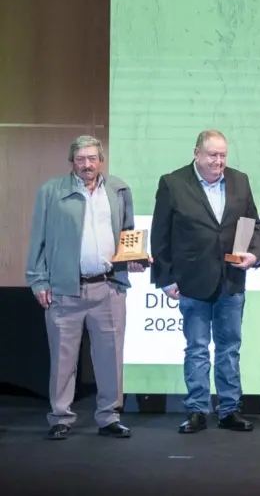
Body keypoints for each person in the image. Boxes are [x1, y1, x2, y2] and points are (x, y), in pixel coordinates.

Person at [25, 135, 146, 440]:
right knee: (63, 360)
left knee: (110, 358)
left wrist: (135, 259)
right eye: (81, 159)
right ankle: (61, 418)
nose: (87, 165)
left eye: (92, 158)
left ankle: (108, 416)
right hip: (66, 290)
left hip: (107, 287)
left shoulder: (118, 189)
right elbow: (37, 239)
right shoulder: (51, 191)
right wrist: (38, 280)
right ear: (72, 162)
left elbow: (127, 234)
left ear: (101, 161)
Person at [150, 129, 260, 434]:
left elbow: (254, 226)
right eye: (212, 155)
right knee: (197, 348)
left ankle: (229, 410)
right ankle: (197, 410)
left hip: (231, 280)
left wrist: (254, 255)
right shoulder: (173, 183)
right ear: (196, 153)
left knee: (230, 348)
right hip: (191, 281)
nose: (218, 161)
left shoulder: (240, 180)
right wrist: (164, 279)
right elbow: (160, 235)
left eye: (223, 155)